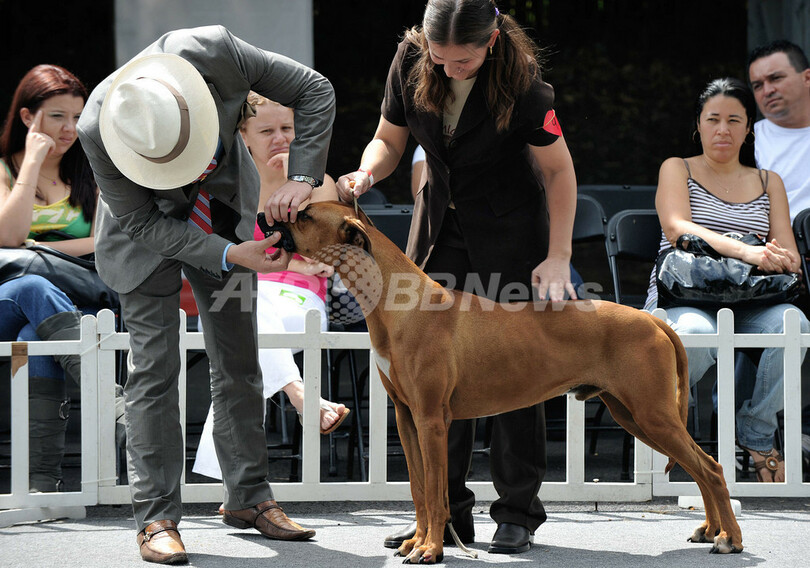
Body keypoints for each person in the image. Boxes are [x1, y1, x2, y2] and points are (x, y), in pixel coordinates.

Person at [76, 26, 335, 564]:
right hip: (143, 238)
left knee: (240, 358)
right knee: (154, 369)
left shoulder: (218, 50)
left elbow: (316, 91)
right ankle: (156, 520)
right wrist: (226, 254)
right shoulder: (96, 126)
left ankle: (249, 499)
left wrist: (303, 178)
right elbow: (145, 224)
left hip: (222, 210)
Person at [336, 0, 578, 554]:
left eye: (462, 60)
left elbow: (559, 170)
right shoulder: (410, 59)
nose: (449, 69)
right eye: (439, 58)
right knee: (431, 377)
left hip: (512, 239)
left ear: (491, 40)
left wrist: (558, 255)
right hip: (438, 234)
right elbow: (390, 140)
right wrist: (366, 171)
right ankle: (444, 517)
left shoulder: (525, 87)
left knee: (515, 373)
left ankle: (518, 511)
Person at [644, 77, 810, 483]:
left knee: (794, 324)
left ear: (748, 128)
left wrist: (776, 255)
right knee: (693, 336)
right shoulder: (677, 168)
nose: (723, 129)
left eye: (734, 120)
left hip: (750, 301)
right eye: (713, 119)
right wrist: (750, 251)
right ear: (698, 125)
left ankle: (756, 432)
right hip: (686, 294)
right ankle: (669, 433)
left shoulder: (769, 181)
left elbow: (789, 257)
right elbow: (676, 227)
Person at [192, 94, 348, 483]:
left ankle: (233, 485)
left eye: (287, 129)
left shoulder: (318, 184)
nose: (281, 139)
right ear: (243, 136)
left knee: (242, 338)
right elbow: (216, 255)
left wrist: (291, 185)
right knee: (244, 311)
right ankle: (300, 394)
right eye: (267, 131)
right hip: (237, 298)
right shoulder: (227, 187)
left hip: (300, 299)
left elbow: (330, 253)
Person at [0, 64, 124, 492]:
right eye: (57, 116)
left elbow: (105, 242)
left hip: (74, 305)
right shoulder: (4, 170)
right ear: (26, 117)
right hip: (8, 300)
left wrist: (30, 252)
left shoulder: (90, 172)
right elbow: (8, 235)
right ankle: (114, 406)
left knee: (39, 333)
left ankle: (40, 484)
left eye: (77, 116)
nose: (70, 128)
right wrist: (32, 161)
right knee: (32, 287)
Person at [747, 40, 810, 222]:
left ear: (807, 78)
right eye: (758, 85)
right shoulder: (746, 142)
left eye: (776, 78)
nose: (767, 90)